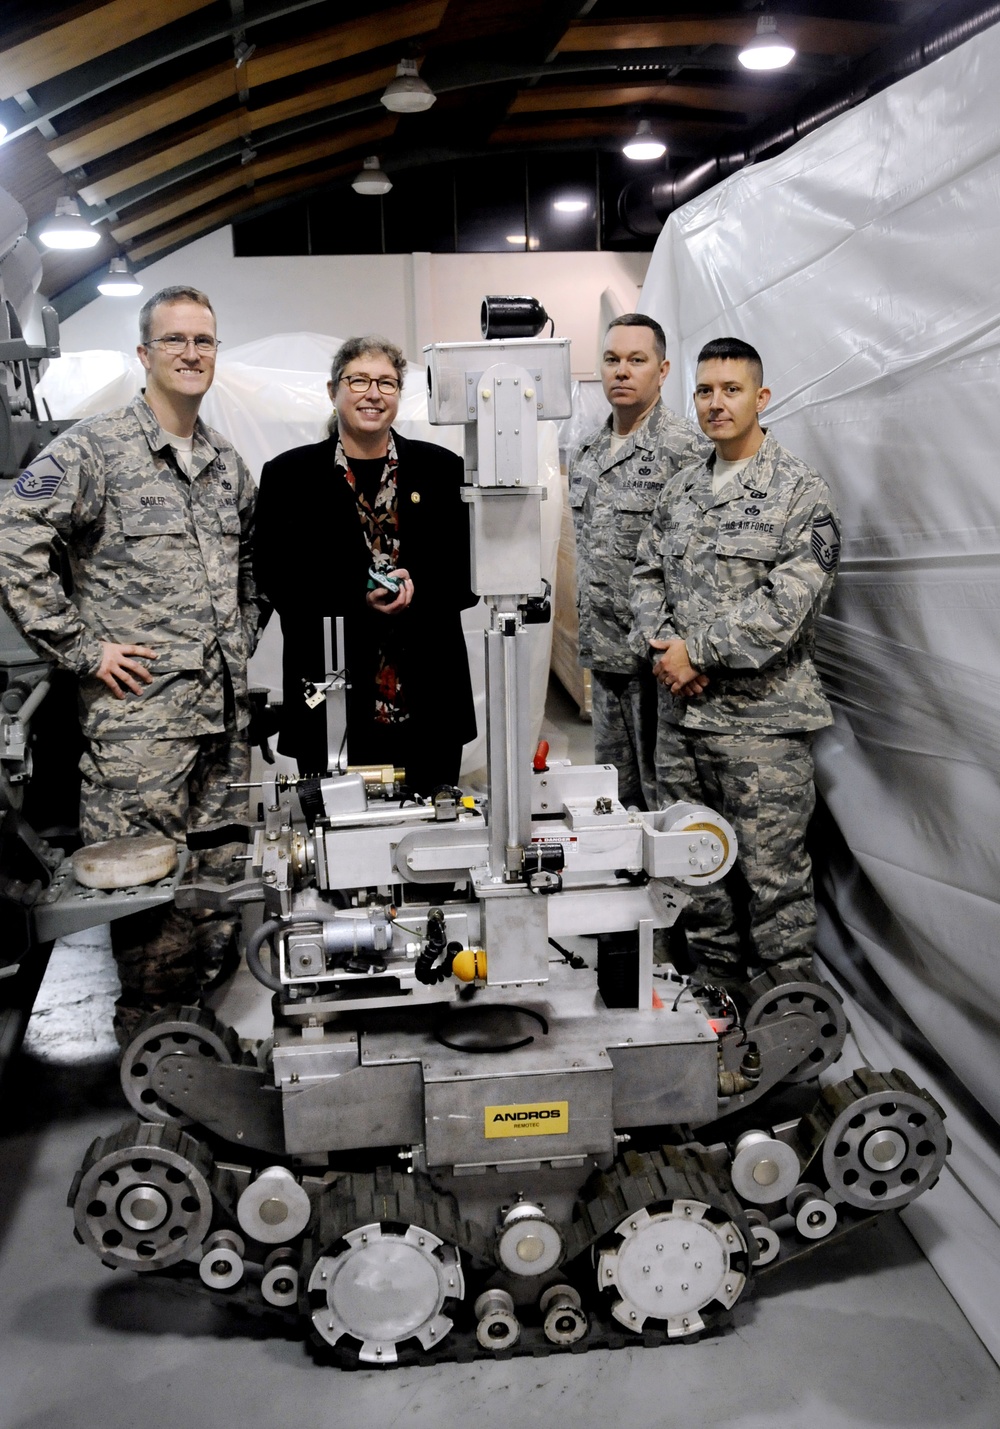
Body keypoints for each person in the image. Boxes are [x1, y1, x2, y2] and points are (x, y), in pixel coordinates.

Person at [0, 284, 260, 1044]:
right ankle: (150, 1047)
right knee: (147, 895)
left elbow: (252, 560)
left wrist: (240, 635)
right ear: (144, 354)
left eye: (203, 341)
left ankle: (198, 1039)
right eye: (175, 340)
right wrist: (80, 649)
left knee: (214, 888)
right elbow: (13, 540)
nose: (191, 353)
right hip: (139, 726)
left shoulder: (223, 462)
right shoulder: (94, 449)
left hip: (222, 718)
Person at [629, 337, 841, 981]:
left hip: (761, 727)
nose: (716, 404)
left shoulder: (799, 492)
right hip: (682, 721)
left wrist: (699, 653)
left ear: (760, 397)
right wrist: (666, 649)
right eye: (704, 391)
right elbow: (645, 574)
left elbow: (789, 605)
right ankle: (714, 989)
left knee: (772, 874)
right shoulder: (681, 490)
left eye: (731, 390)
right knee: (694, 864)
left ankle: (790, 1015)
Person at [253, 335, 476, 793]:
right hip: (331, 691)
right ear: (332, 390)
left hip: (427, 696)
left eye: (387, 383)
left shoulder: (441, 470)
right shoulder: (288, 476)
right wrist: (357, 595)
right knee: (335, 840)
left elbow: (469, 575)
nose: (374, 393)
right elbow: (275, 576)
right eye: (359, 380)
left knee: (430, 834)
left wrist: (418, 588)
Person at [569, 313, 707, 811]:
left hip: (659, 661)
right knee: (615, 791)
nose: (621, 371)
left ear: (663, 370)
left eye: (636, 360)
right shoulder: (585, 451)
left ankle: (671, 887)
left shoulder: (688, 450)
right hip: (605, 658)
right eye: (611, 360)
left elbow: (701, 564)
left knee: (665, 794)